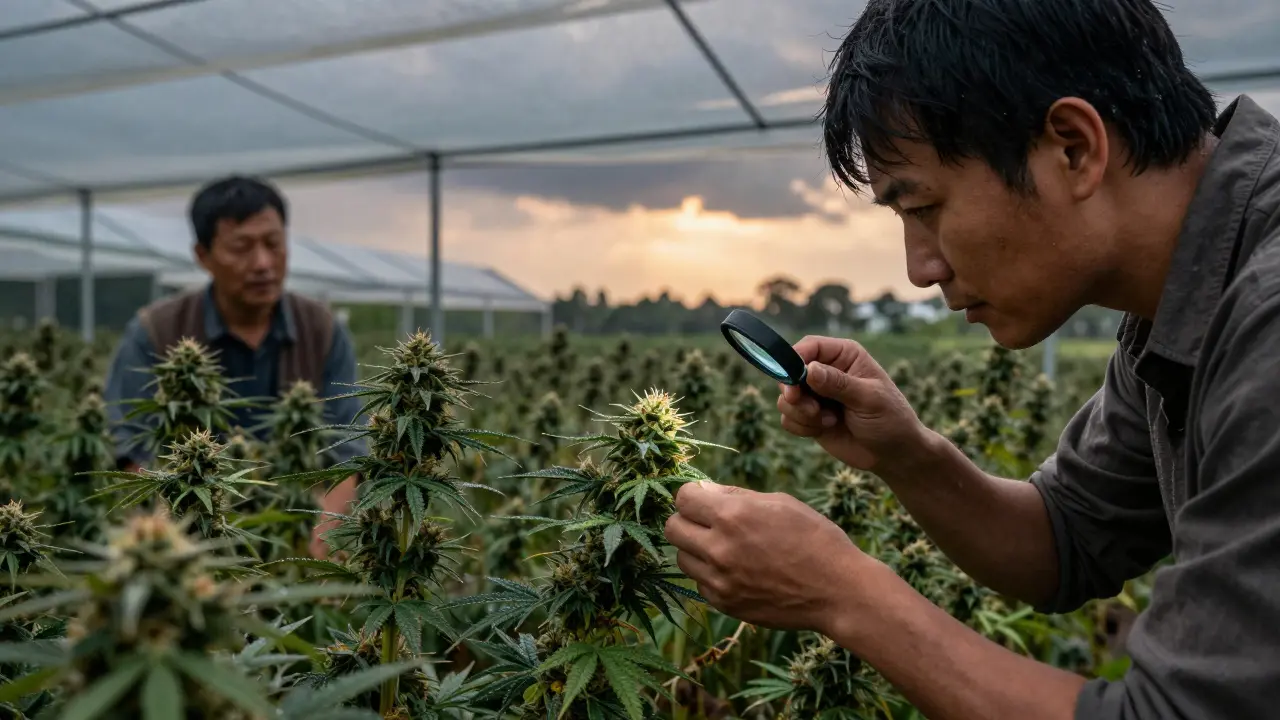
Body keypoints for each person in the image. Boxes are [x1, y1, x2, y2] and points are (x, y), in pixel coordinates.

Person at [664, 0, 1280, 717]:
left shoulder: (1267, 316)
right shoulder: (1183, 290)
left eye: (924, 208)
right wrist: (908, 456)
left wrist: (841, 594)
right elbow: (1069, 539)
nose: (919, 268)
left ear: (1074, 149)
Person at [103, 175, 364, 559]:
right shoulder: (156, 332)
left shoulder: (322, 330)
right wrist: (177, 532)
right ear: (203, 256)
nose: (262, 263)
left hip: (298, 535)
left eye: (273, 244)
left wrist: (322, 538)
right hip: (190, 539)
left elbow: (348, 448)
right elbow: (130, 447)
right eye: (241, 248)